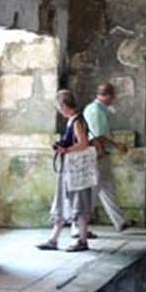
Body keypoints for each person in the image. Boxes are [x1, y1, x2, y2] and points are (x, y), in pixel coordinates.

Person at [37, 90, 93, 252]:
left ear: (64, 105)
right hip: (70, 169)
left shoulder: (76, 121)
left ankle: (82, 240)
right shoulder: (72, 120)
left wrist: (66, 150)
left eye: (59, 107)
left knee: (78, 202)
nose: (59, 110)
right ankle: (53, 239)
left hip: (76, 170)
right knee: (63, 201)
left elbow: (83, 143)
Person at [78, 82, 132, 237]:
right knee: (93, 191)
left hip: (101, 154)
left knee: (107, 189)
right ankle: (79, 226)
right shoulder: (96, 111)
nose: (114, 99)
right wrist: (117, 146)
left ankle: (120, 221)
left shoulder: (97, 110)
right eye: (112, 96)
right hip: (97, 154)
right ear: (107, 95)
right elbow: (98, 135)